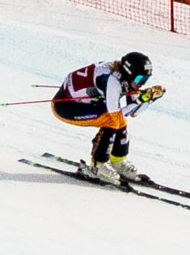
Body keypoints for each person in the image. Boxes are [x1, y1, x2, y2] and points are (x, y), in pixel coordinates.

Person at [51, 52, 161, 186]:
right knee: (111, 120)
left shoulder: (125, 78)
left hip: (87, 103)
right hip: (65, 106)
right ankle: (98, 166)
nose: (141, 85)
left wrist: (149, 100)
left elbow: (133, 113)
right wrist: (140, 100)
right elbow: (117, 114)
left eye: (145, 80)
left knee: (118, 119)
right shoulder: (112, 82)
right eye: (139, 80)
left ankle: (118, 161)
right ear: (129, 73)